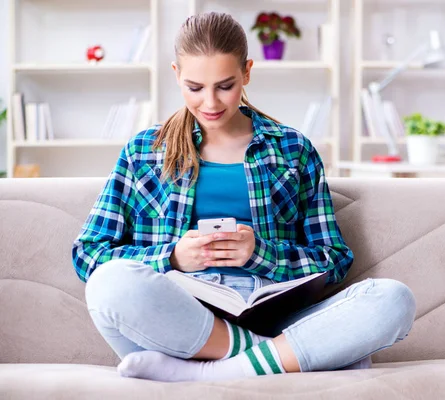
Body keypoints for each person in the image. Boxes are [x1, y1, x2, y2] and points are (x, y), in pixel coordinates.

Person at [73, 12, 416, 382]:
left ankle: (209, 373)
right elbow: (89, 254)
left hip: (275, 314)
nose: (210, 103)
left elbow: (333, 260)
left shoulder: (292, 149)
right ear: (176, 74)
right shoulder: (144, 151)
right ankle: (276, 358)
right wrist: (172, 257)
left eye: (225, 85)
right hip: (181, 320)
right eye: (194, 87)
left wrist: (260, 254)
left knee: (393, 299)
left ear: (247, 72)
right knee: (110, 285)